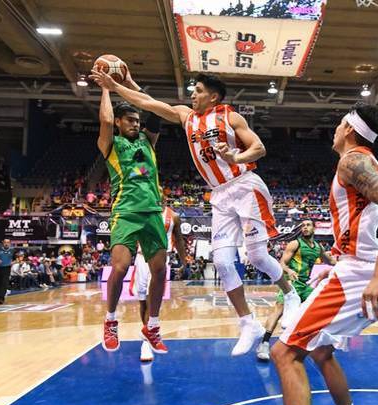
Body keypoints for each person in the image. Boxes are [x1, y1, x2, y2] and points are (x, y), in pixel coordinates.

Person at [90, 68, 300, 356]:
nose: (192, 94)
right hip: (219, 194)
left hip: (244, 184)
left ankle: (290, 294)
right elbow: (149, 103)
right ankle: (247, 323)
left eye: (198, 90)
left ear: (212, 97)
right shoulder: (185, 117)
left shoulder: (230, 116)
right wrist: (119, 84)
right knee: (224, 263)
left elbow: (259, 148)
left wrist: (235, 156)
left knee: (257, 256)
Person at [270, 104, 378, 405]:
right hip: (358, 273)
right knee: (320, 352)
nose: (333, 130)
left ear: (348, 126)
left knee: (284, 354)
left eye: (337, 124)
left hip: (360, 279)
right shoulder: (367, 164)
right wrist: (338, 255)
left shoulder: (353, 161)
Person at [96, 83, 168, 355]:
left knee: (160, 269)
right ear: (119, 122)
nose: (136, 124)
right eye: (131, 120)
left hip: (152, 211)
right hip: (125, 211)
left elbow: (154, 109)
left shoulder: (148, 141)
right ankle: (111, 320)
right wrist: (106, 88)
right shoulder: (111, 145)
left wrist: (130, 84)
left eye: (138, 121)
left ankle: (153, 325)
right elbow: (104, 119)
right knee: (121, 267)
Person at [256, 219, 335, 361]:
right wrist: (289, 270)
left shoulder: (318, 247)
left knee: (319, 310)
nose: (305, 228)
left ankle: (317, 343)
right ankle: (264, 343)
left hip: (305, 286)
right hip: (291, 284)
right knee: (278, 310)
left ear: (314, 229)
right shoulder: (295, 244)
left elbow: (330, 262)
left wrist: (347, 260)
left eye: (308, 225)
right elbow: (282, 263)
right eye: (303, 226)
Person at [131, 203, 188, 362]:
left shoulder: (174, 216)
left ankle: (145, 343)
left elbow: (179, 240)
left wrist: (184, 261)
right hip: (142, 258)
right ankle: (147, 334)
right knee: (143, 301)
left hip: (162, 259)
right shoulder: (142, 211)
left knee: (152, 300)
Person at [0, 239, 14, 304]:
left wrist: (13, 262)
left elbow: (17, 259)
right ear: (3, 243)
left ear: (10, 243)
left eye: (8, 242)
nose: (6, 244)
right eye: (5, 242)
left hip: (7, 269)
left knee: (4, 283)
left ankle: (1, 298)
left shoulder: (12, 250)